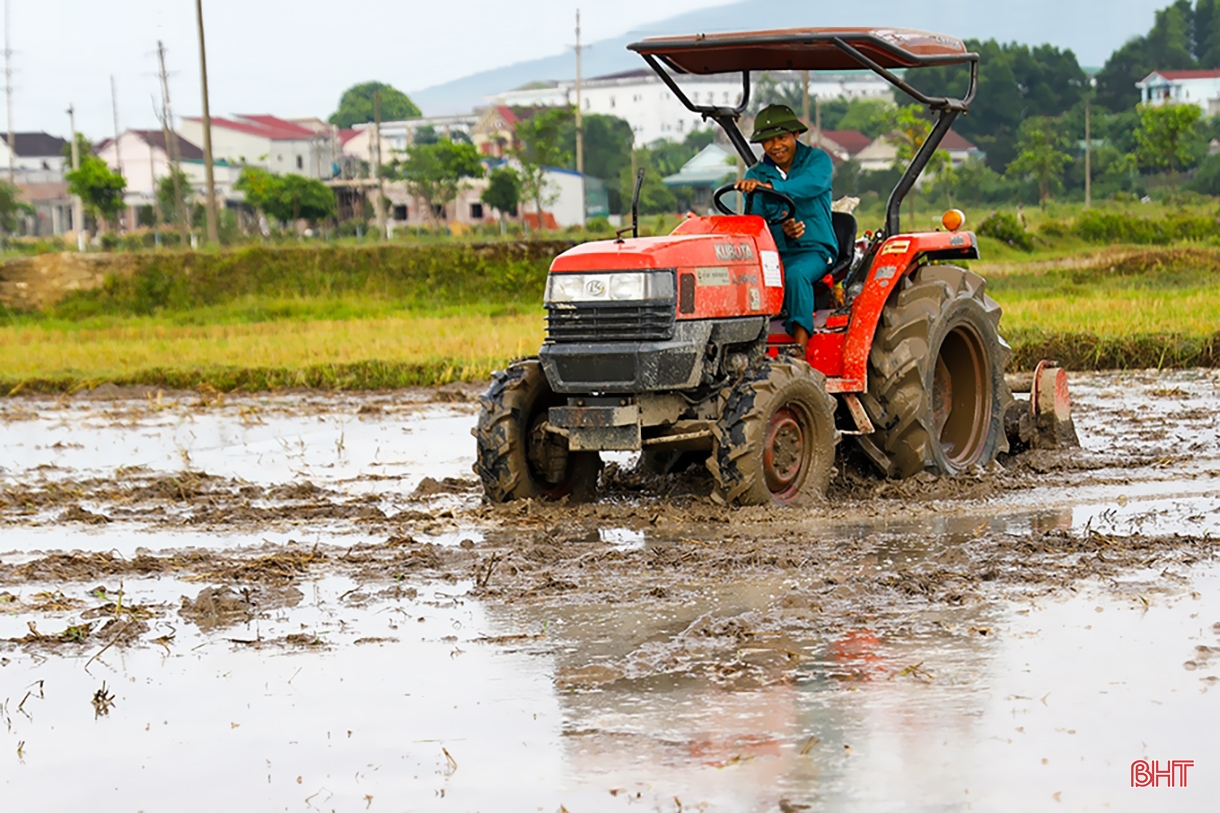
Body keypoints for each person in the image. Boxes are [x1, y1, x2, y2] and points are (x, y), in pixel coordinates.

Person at [735, 104, 836, 352]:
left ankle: (799, 350)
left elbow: (810, 185)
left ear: (795, 135)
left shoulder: (817, 161)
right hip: (775, 253)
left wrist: (772, 188)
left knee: (795, 274)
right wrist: (782, 230)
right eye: (768, 141)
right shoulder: (755, 174)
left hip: (814, 250)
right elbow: (757, 225)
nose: (776, 146)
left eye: (782, 138)